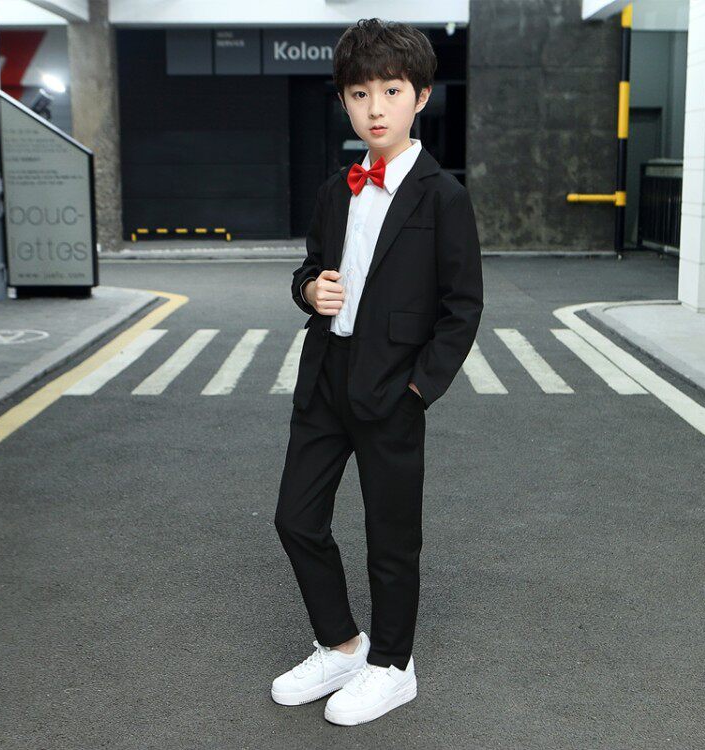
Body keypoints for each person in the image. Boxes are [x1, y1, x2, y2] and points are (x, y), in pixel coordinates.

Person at [271, 17, 484, 725]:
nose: (376, 108)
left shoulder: (443, 197)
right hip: (325, 376)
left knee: (392, 539)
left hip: (394, 387)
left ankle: (392, 665)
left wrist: (419, 388)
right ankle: (342, 645)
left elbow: (462, 307)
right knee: (296, 518)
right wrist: (310, 290)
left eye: (392, 91)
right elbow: (309, 267)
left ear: (420, 96)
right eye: (360, 94)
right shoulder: (337, 189)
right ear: (344, 101)